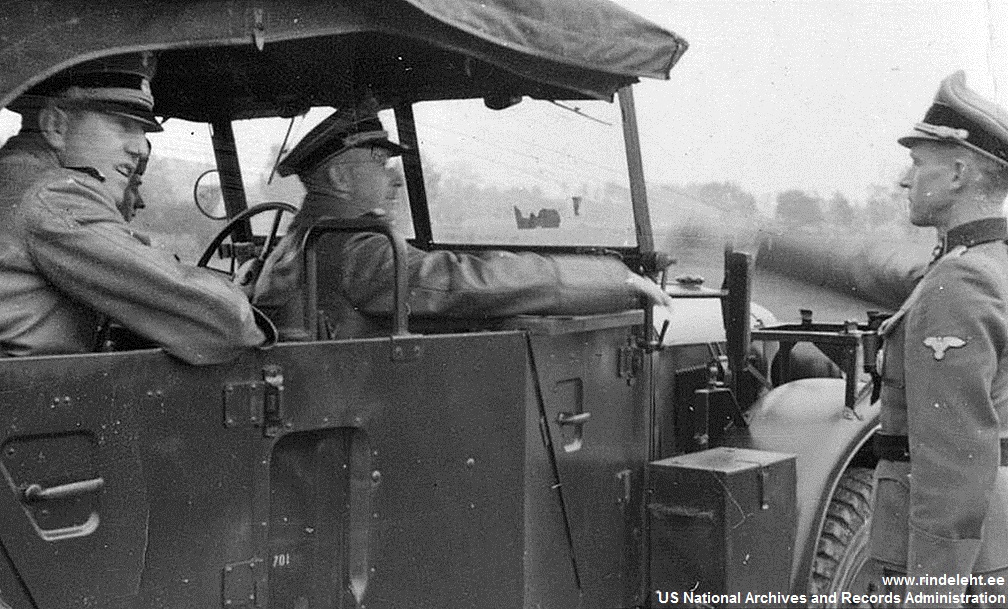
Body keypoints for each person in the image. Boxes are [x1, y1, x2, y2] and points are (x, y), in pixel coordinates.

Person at [252, 101, 674, 340]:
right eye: (380, 162)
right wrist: (616, 279)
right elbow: (466, 281)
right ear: (340, 179)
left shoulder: (292, 243)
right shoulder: (356, 250)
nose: (395, 179)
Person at [0, 53, 269, 363]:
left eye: (142, 131)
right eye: (123, 125)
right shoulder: (54, 194)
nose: (140, 148)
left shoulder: (15, 178)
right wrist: (244, 297)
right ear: (55, 126)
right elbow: (226, 323)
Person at [870, 71, 1008, 607]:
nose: (905, 180)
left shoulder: (961, 280)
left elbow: (953, 457)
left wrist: (933, 593)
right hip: (988, 539)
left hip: (949, 559)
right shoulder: (989, 264)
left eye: (917, 162)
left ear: (956, 174)